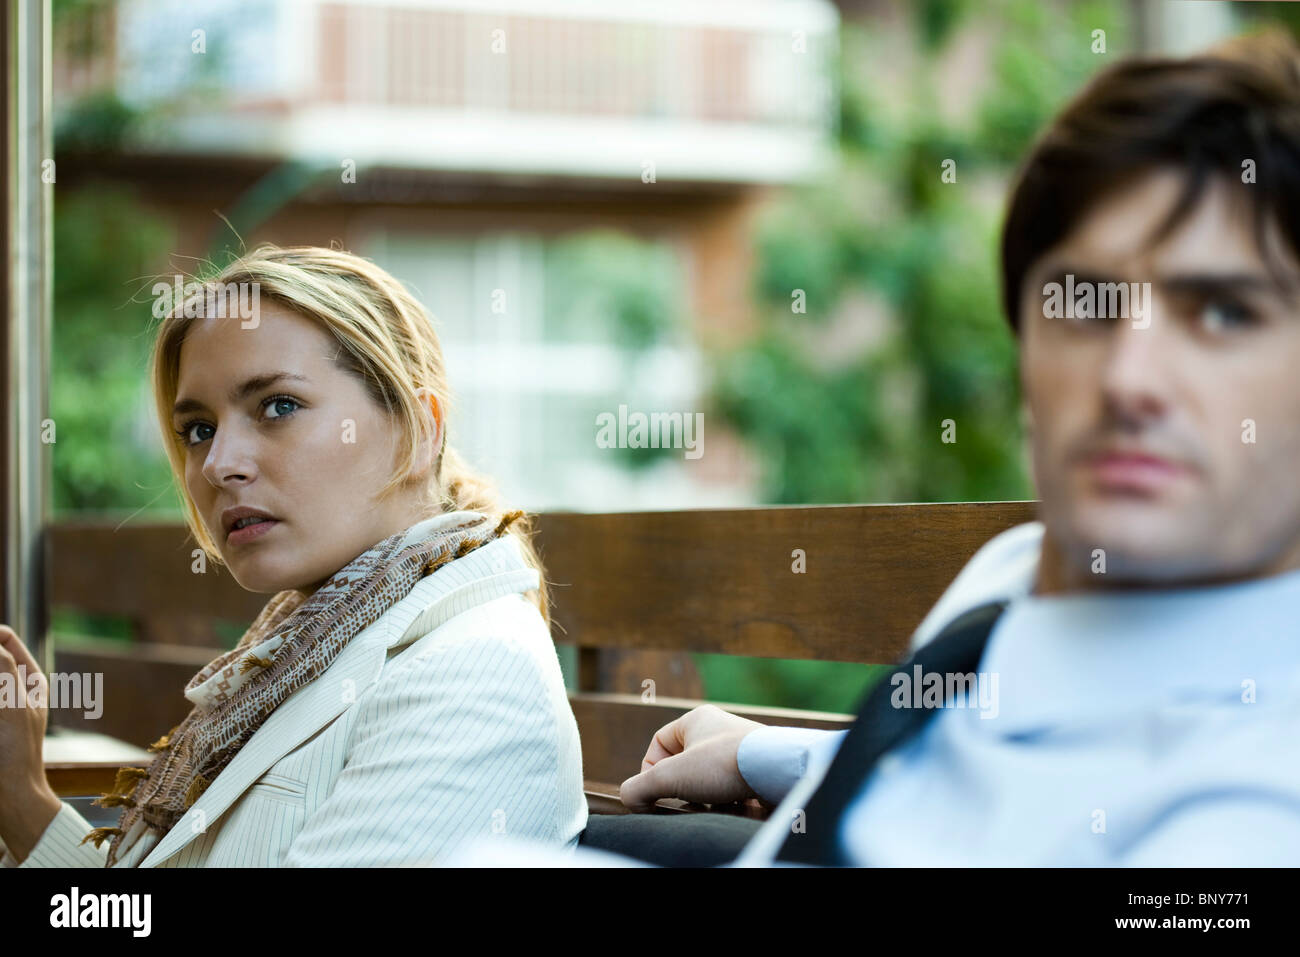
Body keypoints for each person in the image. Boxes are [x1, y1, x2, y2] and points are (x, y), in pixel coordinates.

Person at [614, 29, 1300, 867]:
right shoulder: (1014, 574)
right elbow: (958, 772)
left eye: (1224, 312)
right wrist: (762, 751)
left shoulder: (1252, 802)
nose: (1129, 378)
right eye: (1084, 304)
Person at [0, 244, 586, 867]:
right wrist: (21, 799)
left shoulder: (471, 675)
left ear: (419, 430)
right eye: (199, 429)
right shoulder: (302, 653)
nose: (220, 464)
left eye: (278, 406)